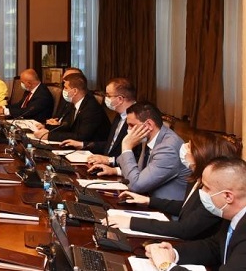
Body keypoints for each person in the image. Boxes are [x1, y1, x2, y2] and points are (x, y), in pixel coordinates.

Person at [107, 131, 241, 240]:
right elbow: (186, 207)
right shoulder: (196, 178)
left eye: (189, 147)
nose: (184, 148)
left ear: (201, 155)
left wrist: (131, 222)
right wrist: (148, 200)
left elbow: (185, 229)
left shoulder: (214, 193)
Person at [145, 157, 246, 271]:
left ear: (228, 196)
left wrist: (167, 266)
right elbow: (215, 247)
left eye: (207, 187)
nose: (201, 191)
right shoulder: (233, 215)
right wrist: (173, 253)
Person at [89, 102, 190, 201]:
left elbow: (136, 185)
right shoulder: (149, 136)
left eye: (132, 125)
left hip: (163, 208)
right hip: (146, 199)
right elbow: (144, 171)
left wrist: (126, 147)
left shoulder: (168, 149)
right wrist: (115, 171)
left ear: (149, 124)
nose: (128, 130)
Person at [63, 77, 137, 161]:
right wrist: (82, 144)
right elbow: (111, 145)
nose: (106, 98)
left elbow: (136, 158)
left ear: (120, 99)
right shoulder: (119, 115)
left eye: (108, 95)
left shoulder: (137, 119)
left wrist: (109, 161)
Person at [33, 73, 109, 143]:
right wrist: (47, 128)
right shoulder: (73, 104)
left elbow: (81, 136)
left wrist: (49, 136)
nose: (63, 90)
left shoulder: (91, 108)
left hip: (93, 149)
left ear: (75, 91)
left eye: (66, 88)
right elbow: (67, 127)